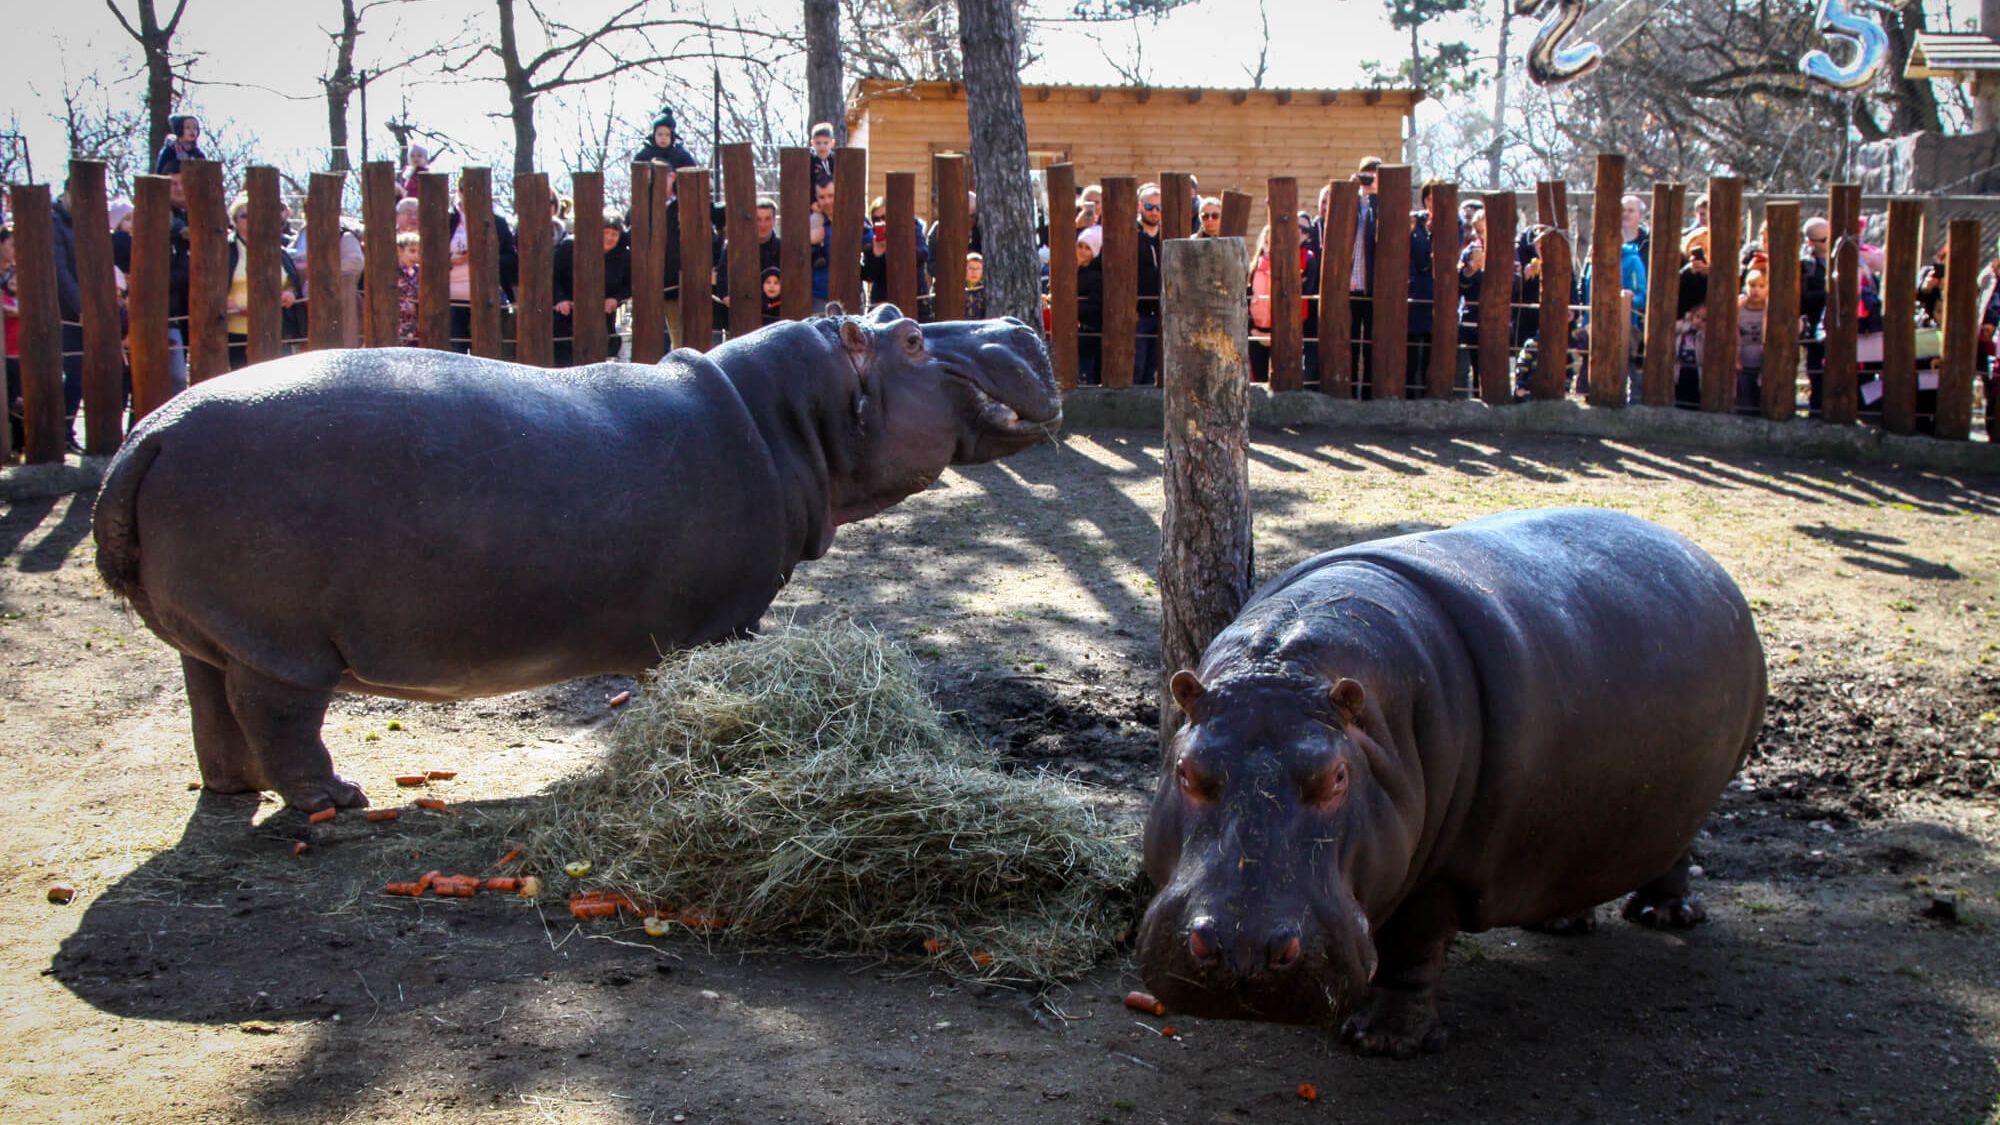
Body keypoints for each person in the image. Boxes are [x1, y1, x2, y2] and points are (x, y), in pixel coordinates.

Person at [224, 194, 303, 369]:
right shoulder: (225, 250)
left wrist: (290, 293)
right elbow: (212, 288)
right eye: (244, 216)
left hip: (275, 330)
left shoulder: (277, 250)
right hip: (236, 333)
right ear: (235, 221)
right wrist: (228, 305)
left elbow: (291, 282)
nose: (251, 220)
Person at [552, 212, 632, 366]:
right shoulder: (570, 247)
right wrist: (560, 298)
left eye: (614, 234)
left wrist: (616, 298)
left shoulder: (624, 257)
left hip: (603, 319)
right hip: (566, 317)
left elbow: (629, 285)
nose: (609, 238)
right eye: (605, 233)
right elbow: (553, 277)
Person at [1134, 182, 1164, 386]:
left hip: (1162, 311)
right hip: (1138, 313)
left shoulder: (1167, 235)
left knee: (1155, 367)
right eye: (1149, 207)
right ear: (1140, 207)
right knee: (1137, 365)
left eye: (1158, 208)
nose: (1154, 212)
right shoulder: (1131, 235)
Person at [1075, 226, 1104, 385]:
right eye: (1080, 246)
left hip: (1088, 333)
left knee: (1086, 375)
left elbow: (1096, 306)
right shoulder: (1067, 269)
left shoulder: (1096, 276)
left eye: (1088, 248)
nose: (1082, 251)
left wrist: (1072, 306)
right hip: (1072, 333)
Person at [1736, 268, 1767, 414]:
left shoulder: (1771, 309)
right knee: (1745, 403)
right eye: (1752, 285)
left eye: (1761, 286)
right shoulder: (1738, 308)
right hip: (1742, 364)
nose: (1756, 290)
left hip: (1764, 365)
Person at [394, 231, 421, 347]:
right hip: (397, 320)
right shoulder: (393, 271)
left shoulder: (418, 272)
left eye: (419, 252)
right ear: (399, 250)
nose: (416, 256)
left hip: (414, 322)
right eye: (412, 251)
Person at [809, 122, 837, 187]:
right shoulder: (810, 160)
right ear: (812, 143)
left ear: (832, 143)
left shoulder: (835, 160)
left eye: (826, 143)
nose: (822, 146)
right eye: (818, 143)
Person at [963, 252, 986, 319]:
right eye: (970, 268)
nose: (974, 272)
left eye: (978, 268)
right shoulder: (959, 288)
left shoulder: (984, 289)